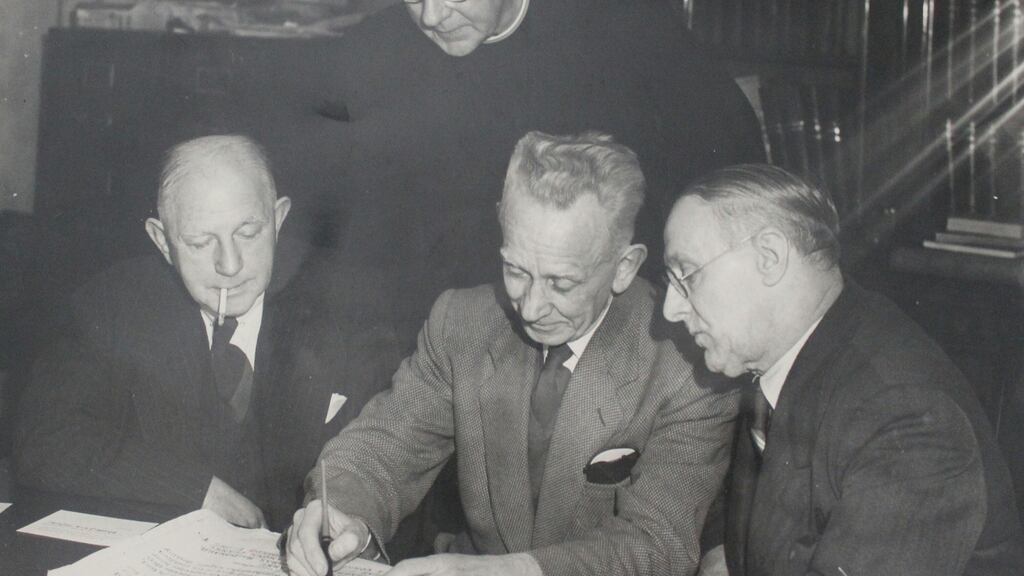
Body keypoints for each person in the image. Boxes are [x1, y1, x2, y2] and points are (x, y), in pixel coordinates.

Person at [284, 131, 739, 576]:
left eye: (562, 283)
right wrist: (338, 510)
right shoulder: (461, 322)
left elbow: (656, 545)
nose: (531, 307)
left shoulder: (688, 364)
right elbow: (384, 448)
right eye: (515, 270)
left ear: (624, 267)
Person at [14, 135, 398, 531]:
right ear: (163, 242)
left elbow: (392, 460)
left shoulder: (349, 303)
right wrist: (196, 491)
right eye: (200, 242)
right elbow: (42, 439)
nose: (229, 265)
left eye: (248, 233)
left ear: (278, 219)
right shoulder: (114, 305)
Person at [661, 164, 1024, 576]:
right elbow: (737, 502)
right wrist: (720, 551)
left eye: (686, 276)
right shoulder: (787, 355)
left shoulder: (902, 416)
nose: (671, 309)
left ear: (769, 257)